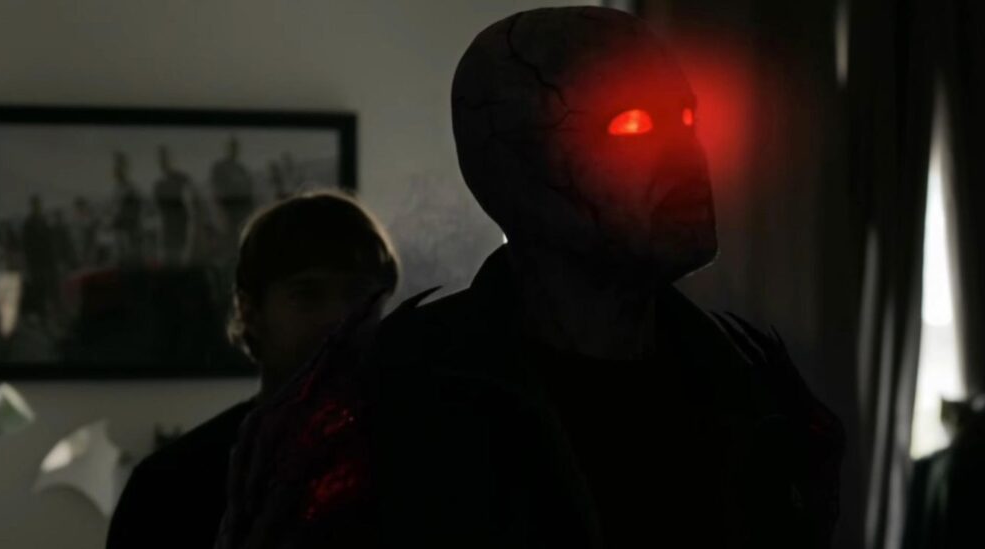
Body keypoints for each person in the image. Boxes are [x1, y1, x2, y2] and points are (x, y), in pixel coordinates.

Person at [218, 7, 844, 549]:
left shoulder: (751, 389)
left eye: (686, 120)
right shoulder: (390, 405)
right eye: (632, 124)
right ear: (517, 168)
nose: (687, 156)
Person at [106, 191, 399, 549]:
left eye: (359, 294)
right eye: (307, 295)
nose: (339, 317)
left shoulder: (422, 458)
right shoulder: (171, 484)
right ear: (250, 312)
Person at [211, 137, 255, 236]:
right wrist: (219, 211)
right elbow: (216, 188)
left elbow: (248, 188)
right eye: (232, 148)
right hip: (227, 210)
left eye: (236, 148)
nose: (235, 151)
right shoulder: (220, 167)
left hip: (242, 211)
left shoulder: (241, 169)